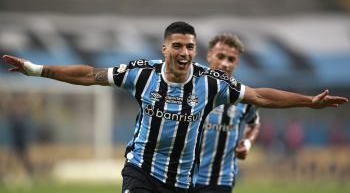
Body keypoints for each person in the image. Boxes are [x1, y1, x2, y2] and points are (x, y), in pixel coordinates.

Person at [1, 21, 347, 193]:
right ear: (165, 48)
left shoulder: (211, 83)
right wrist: (38, 69)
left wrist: (308, 102)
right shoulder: (140, 74)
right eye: (178, 46)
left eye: (190, 47)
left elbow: (259, 96)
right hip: (140, 170)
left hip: (183, 182)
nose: (184, 53)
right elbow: (90, 75)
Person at [192, 33, 260, 193]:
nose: (225, 64)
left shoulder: (243, 98)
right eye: (220, 56)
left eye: (231, 59)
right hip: (183, 177)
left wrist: (247, 142)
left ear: (237, 63)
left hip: (220, 180)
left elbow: (254, 124)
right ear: (209, 56)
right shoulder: (191, 89)